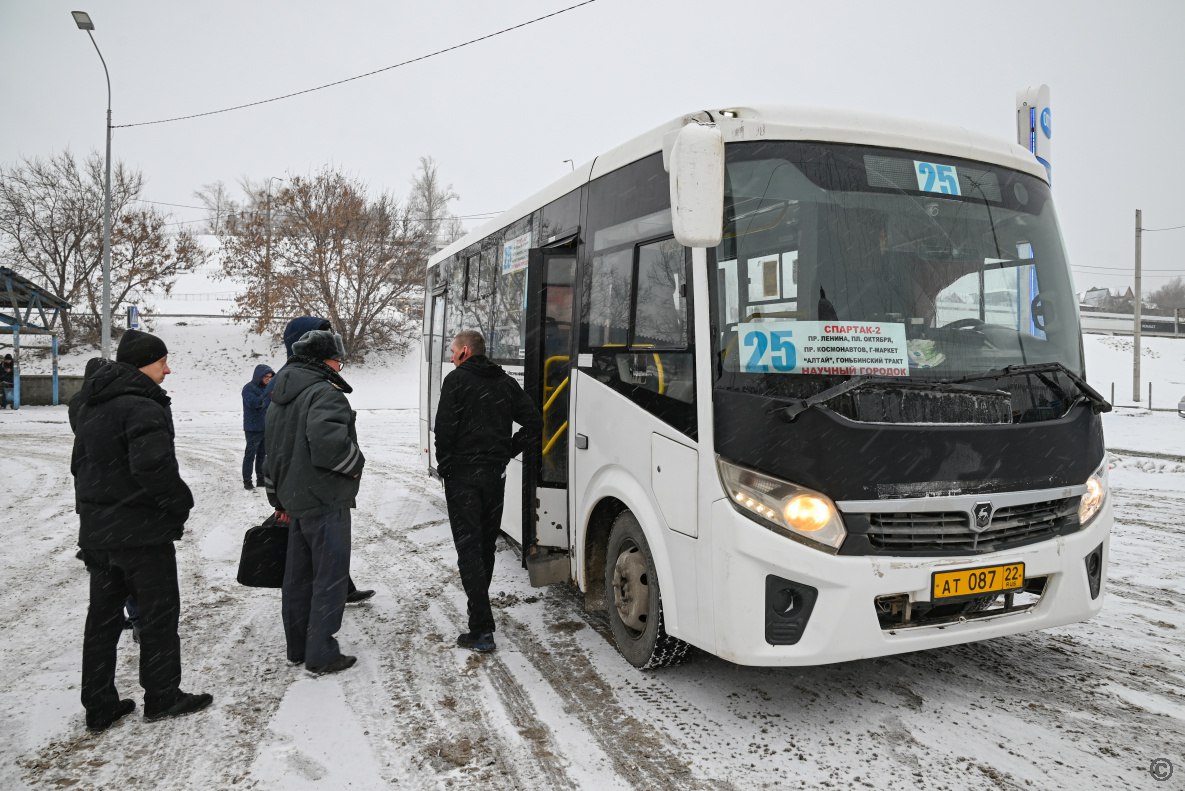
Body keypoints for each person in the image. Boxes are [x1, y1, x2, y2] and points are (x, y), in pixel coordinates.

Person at [70, 329, 212, 731]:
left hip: (99, 533)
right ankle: (163, 696)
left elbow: (80, 466)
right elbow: (153, 468)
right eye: (162, 362)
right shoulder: (142, 406)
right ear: (143, 364)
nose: (168, 370)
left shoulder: (91, 405)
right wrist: (180, 503)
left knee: (102, 622)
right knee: (158, 616)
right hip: (141, 535)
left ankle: (99, 705)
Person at [264, 327, 365, 674]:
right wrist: (356, 465)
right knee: (329, 579)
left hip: (294, 499)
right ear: (325, 361)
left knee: (298, 579)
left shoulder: (281, 394)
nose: (339, 367)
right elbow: (329, 447)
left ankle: (297, 647)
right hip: (325, 498)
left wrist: (277, 497)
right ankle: (321, 652)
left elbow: (271, 453)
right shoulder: (323, 393)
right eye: (338, 361)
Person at [434, 329, 541, 653]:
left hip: (463, 479)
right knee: (484, 548)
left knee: (469, 550)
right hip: (494, 477)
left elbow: (444, 431)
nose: (451, 357)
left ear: (465, 352)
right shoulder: (504, 382)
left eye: (453, 351)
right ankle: (478, 614)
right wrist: (507, 450)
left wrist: (447, 467)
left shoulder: (456, 381)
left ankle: (481, 628)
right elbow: (535, 423)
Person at [241, 363, 275, 490]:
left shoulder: (269, 389)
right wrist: (267, 395)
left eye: (270, 377)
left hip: (266, 427)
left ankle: (260, 479)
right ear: (259, 376)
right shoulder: (248, 389)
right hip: (253, 428)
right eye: (266, 377)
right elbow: (254, 403)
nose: (268, 379)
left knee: (262, 454)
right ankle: (247, 480)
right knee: (250, 455)